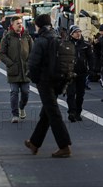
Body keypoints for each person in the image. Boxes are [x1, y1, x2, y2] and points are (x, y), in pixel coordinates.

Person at [25, 14, 72, 158]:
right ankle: (34, 142)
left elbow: (33, 64)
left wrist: (35, 79)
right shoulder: (58, 37)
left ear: (38, 25)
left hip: (45, 81)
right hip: (59, 78)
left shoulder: (41, 40)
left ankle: (64, 146)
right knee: (47, 112)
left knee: (53, 112)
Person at [0, 15, 33, 123]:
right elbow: (1, 53)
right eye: (17, 23)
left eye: (21, 23)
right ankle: (15, 114)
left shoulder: (27, 36)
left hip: (25, 70)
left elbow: (33, 52)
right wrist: (10, 63)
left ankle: (21, 107)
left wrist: (29, 63)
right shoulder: (7, 37)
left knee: (25, 92)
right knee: (14, 92)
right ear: (12, 25)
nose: (20, 25)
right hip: (13, 70)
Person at [66, 25, 92, 122]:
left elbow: (90, 58)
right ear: (71, 34)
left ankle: (78, 112)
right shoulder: (66, 44)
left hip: (82, 73)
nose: (78, 34)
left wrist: (91, 69)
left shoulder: (85, 44)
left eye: (79, 32)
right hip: (69, 73)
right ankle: (71, 112)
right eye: (76, 32)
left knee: (80, 94)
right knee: (71, 93)